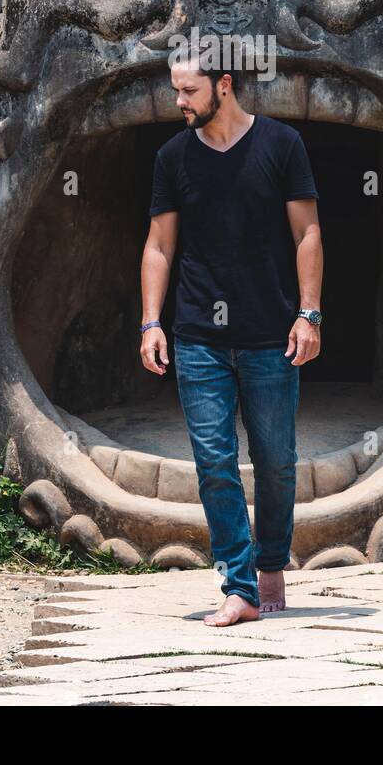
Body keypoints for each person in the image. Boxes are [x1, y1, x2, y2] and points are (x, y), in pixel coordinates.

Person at [139, 52, 323, 626]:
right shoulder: (173, 158)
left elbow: (307, 232)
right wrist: (151, 322)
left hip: (272, 334)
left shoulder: (281, 144)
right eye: (175, 90)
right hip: (197, 336)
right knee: (215, 461)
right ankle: (238, 586)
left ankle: (270, 562)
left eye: (189, 91)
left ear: (224, 85)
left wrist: (309, 314)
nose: (179, 102)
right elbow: (159, 246)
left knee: (276, 462)